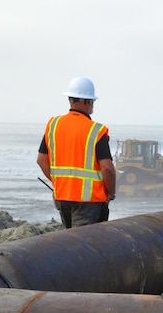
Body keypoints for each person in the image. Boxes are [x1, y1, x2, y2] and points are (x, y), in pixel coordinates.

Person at [37, 76, 116, 228]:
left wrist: (59, 182)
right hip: (89, 202)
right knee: (84, 244)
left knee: (69, 240)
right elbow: (107, 168)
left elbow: (41, 160)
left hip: (62, 197)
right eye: (92, 101)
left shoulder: (53, 124)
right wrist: (111, 194)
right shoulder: (97, 131)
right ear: (87, 101)